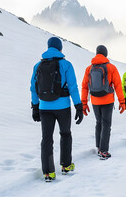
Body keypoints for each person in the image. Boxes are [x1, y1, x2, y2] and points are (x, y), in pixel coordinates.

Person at [30, 37, 83, 182]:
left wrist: (35, 107)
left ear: (48, 47)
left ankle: (48, 173)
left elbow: (33, 88)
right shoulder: (66, 64)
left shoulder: (38, 66)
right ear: (60, 49)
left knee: (46, 139)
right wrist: (79, 106)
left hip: (44, 107)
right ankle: (66, 166)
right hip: (63, 107)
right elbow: (73, 87)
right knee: (65, 134)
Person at [81, 45, 126, 160]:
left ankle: (98, 147)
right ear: (106, 54)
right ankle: (104, 151)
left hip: (95, 100)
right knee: (106, 124)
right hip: (108, 100)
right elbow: (118, 86)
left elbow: (85, 86)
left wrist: (84, 103)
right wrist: (122, 102)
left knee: (98, 122)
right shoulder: (111, 67)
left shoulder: (89, 68)